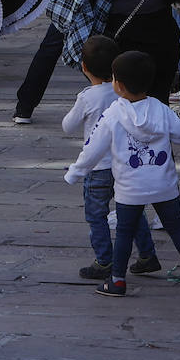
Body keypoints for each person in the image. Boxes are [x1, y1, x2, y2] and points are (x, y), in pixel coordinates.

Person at [65, 50, 180, 296]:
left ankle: (117, 280)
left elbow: (93, 149)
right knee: (177, 229)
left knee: (124, 233)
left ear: (118, 85)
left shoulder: (113, 114)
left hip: (130, 189)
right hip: (164, 184)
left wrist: (75, 172)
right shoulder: (161, 109)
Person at [62, 35, 161, 281]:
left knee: (97, 215)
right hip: (126, 164)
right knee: (132, 211)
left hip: (98, 168)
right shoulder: (124, 91)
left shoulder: (87, 97)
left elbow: (67, 126)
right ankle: (147, 255)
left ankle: (104, 261)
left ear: (83, 67)